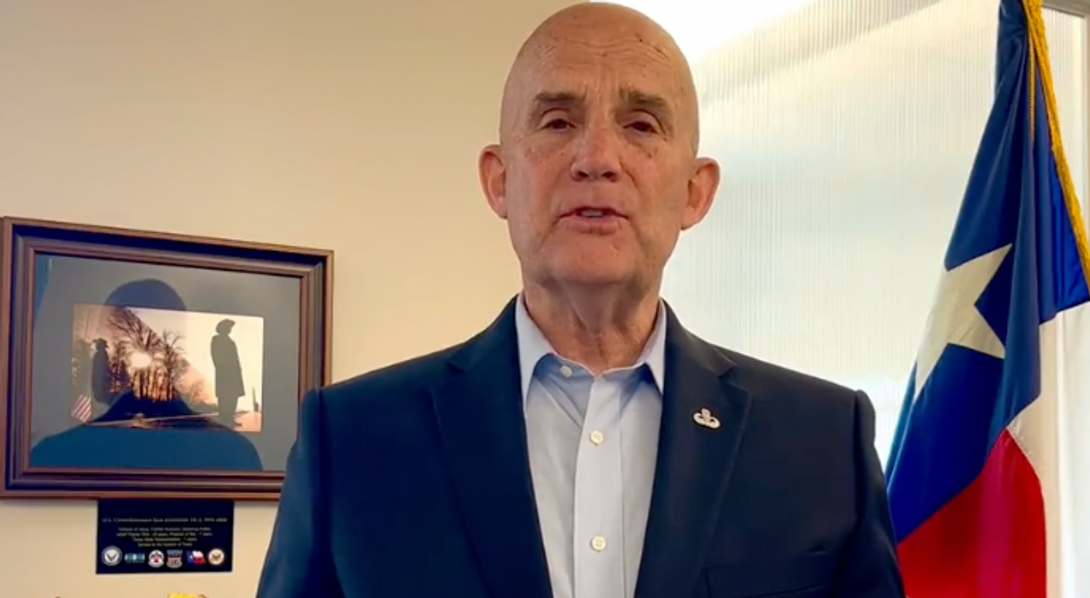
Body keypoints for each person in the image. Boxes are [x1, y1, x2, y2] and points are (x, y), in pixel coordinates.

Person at [255, 3, 904, 598]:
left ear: (695, 191)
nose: (597, 158)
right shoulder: (351, 440)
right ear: (499, 180)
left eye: (641, 125)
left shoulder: (822, 441)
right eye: (558, 121)